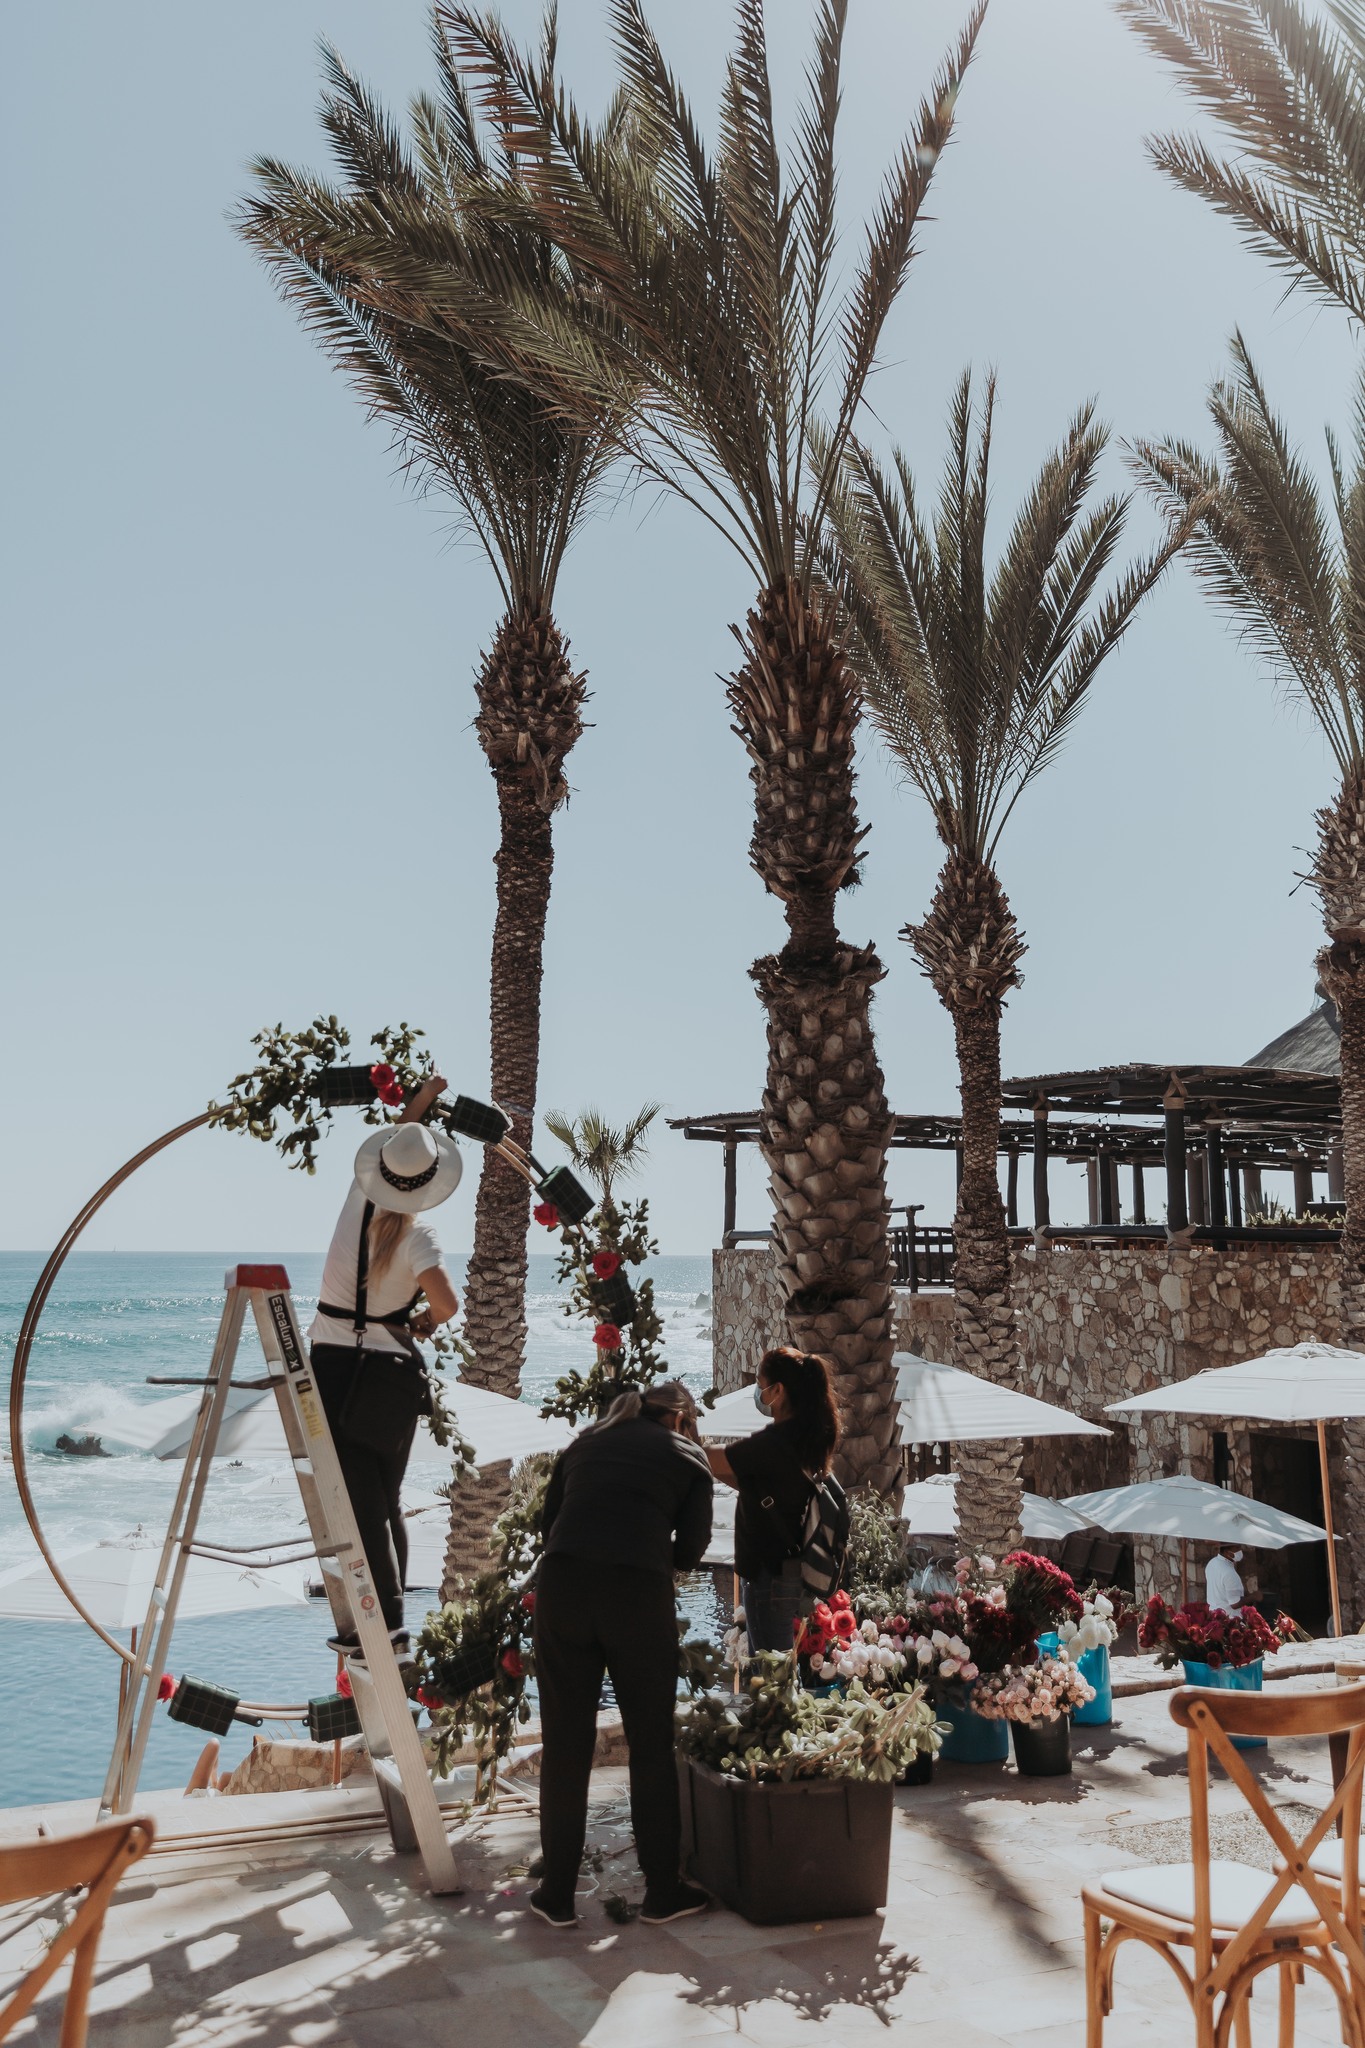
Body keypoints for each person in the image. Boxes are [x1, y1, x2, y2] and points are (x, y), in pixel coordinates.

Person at [532, 1379, 713, 1930]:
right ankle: (662, 1891)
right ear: (680, 1418)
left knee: (565, 1743)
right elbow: (692, 1550)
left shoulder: (585, 1442)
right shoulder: (688, 1455)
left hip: (562, 1588)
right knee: (650, 1742)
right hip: (636, 1593)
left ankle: (556, 1893)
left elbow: (548, 1525)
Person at [307, 1072, 461, 1663]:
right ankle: (389, 1626)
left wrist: (423, 1097)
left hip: (332, 1365)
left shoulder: (358, 1199)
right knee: (385, 1501)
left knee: (357, 1502)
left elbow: (403, 1135)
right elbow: (448, 1305)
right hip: (390, 1374)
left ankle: (386, 1629)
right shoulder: (420, 1236)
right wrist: (423, 1320)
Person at [706, 1347, 841, 1654]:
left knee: (771, 1669)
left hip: (768, 1574)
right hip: (783, 1569)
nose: (758, 1391)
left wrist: (685, 1434)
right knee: (777, 1664)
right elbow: (753, 1485)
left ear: (778, 1390)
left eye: (760, 1383)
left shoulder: (775, 1443)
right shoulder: (802, 1435)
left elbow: (713, 1459)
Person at [1205, 1544, 1246, 1614]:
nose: (1240, 1551)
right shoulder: (1229, 1572)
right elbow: (1235, 1604)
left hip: (1213, 1614)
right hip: (1229, 1617)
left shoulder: (1211, 1563)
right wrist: (1253, 1597)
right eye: (1237, 1548)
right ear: (1227, 1552)